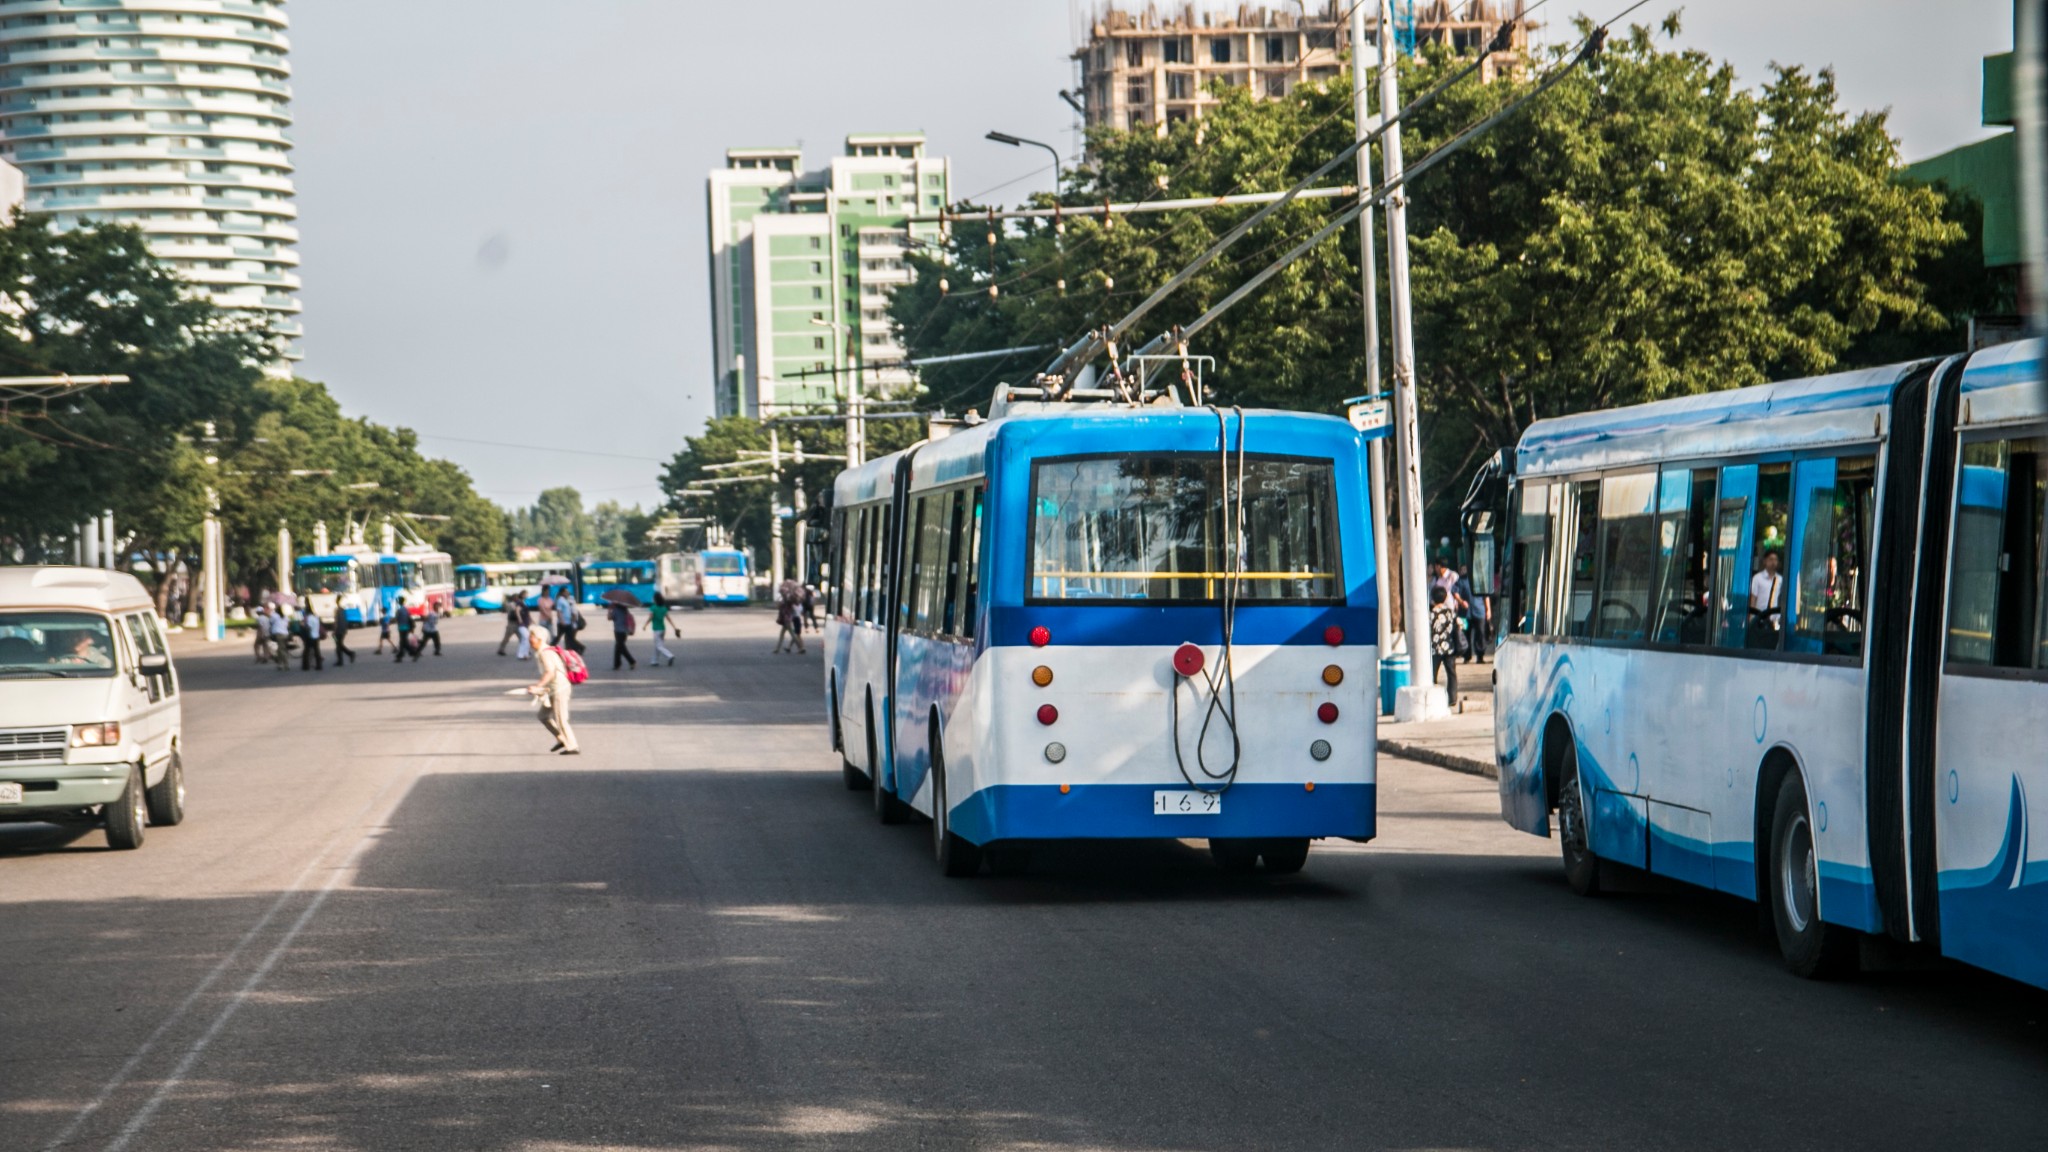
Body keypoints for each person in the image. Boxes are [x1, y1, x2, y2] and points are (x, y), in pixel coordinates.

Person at [527, 642, 580, 755]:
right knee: (543, 716)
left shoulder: (545, 653)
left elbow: (550, 672)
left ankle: (572, 746)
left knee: (561, 719)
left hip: (559, 689)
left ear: (539, 639)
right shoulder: (546, 651)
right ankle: (561, 739)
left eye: (531, 639)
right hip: (553, 689)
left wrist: (538, 686)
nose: (530, 643)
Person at [1430, 585, 1459, 708]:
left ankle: (1432, 698)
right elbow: (1456, 627)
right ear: (1445, 597)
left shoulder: (1430, 614)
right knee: (1451, 674)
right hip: (1449, 647)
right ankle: (1452, 698)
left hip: (1434, 648)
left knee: (1432, 674)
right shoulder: (1449, 612)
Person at [773, 579, 805, 654]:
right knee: (783, 633)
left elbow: (781, 608)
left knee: (792, 633)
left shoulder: (787, 600)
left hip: (786, 619)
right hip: (787, 618)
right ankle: (777, 648)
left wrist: (780, 602)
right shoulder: (789, 599)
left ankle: (800, 647)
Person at [607, 598, 638, 671]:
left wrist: (609, 610)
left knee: (621, 647)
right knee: (618, 647)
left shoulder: (615, 610)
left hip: (618, 631)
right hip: (625, 632)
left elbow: (609, 618)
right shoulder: (625, 610)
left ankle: (632, 661)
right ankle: (617, 664)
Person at [649, 591, 676, 667]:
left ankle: (669, 655)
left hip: (656, 629)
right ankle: (654, 661)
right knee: (658, 645)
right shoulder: (663, 608)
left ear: (655, 599)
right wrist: (674, 627)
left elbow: (650, 618)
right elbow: (668, 619)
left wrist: (645, 625)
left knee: (659, 646)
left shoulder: (653, 608)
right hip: (663, 629)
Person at [299, 605, 324, 672]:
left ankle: (306, 666)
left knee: (306, 651)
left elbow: (308, 627)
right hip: (316, 636)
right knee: (317, 651)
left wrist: (302, 625)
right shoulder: (316, 618)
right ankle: (319, 665)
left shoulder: (309, 618)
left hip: (310, 636)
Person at [393, 596, 417, 662]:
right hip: (406, 627)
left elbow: (397, 619)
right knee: (403, 642)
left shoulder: (399, 609)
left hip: (402, 628)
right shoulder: (406, 609)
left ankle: (412, 653)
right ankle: (401, 656)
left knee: (403, 642)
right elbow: (409, 617)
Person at [268, 603, 292, 670]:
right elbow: (288, 625)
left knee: (281, 650)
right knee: (281, 649)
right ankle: (280, 664)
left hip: (278, 634)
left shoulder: (274, 616)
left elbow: (270, 623)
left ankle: (286, 664)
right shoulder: (285, 616)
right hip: (285, 634)